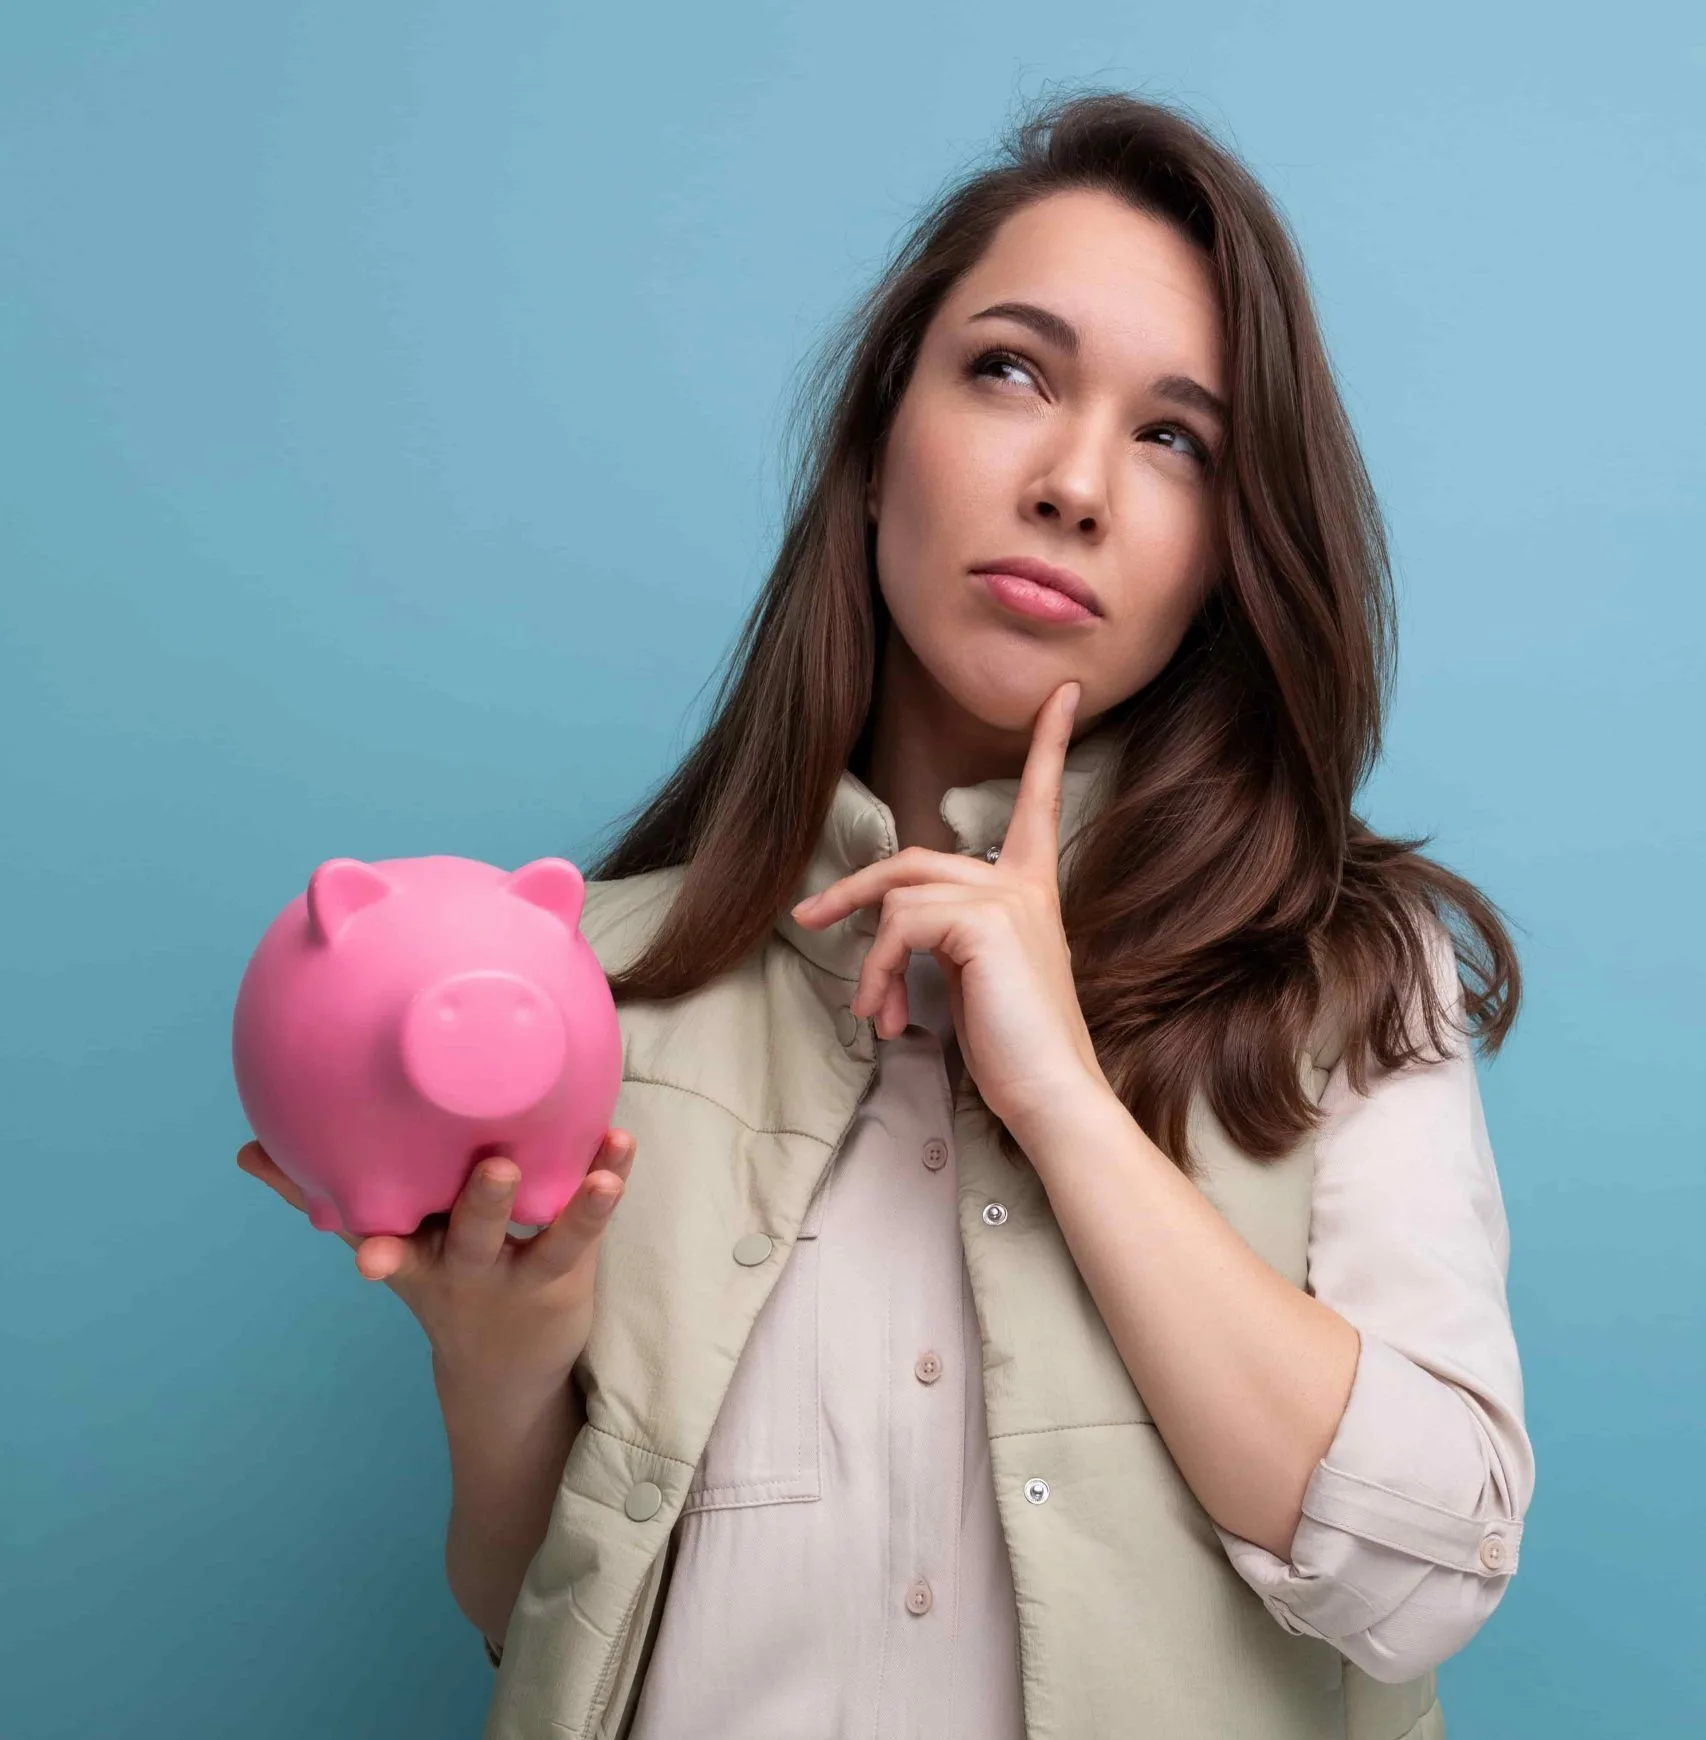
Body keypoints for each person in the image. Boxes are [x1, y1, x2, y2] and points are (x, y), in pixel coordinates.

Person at [239, 88, 1534, 1739]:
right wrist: (493, 1366)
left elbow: (1425, 1577)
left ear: (1227, 554)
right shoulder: (590, 989)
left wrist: (1062, 1098)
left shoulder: (1344, 978)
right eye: (1011, 369)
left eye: (1173, 437)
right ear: (868, 450)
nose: (1072, 483)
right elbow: (544, 1628)